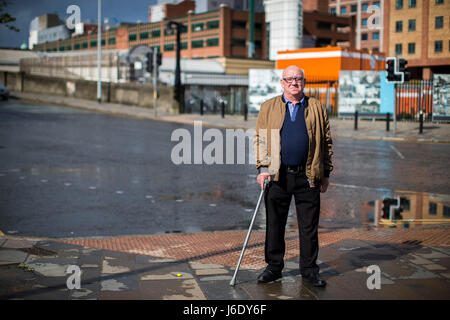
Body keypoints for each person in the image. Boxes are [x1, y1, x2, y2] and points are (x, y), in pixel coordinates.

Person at [253, 65, 333, 287]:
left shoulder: (316, 107)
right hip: (278, 176)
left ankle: (309, 271)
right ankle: (274, 268)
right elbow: (260, 139)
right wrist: (262, 169)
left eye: (298, 79)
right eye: (289, 79)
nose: (293, 83)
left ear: (304, 82)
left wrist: (325, 173)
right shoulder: (268, 107)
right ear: (282, 83)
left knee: (308, 227)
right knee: (275, 224)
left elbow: (326, 142)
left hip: (307, 177)